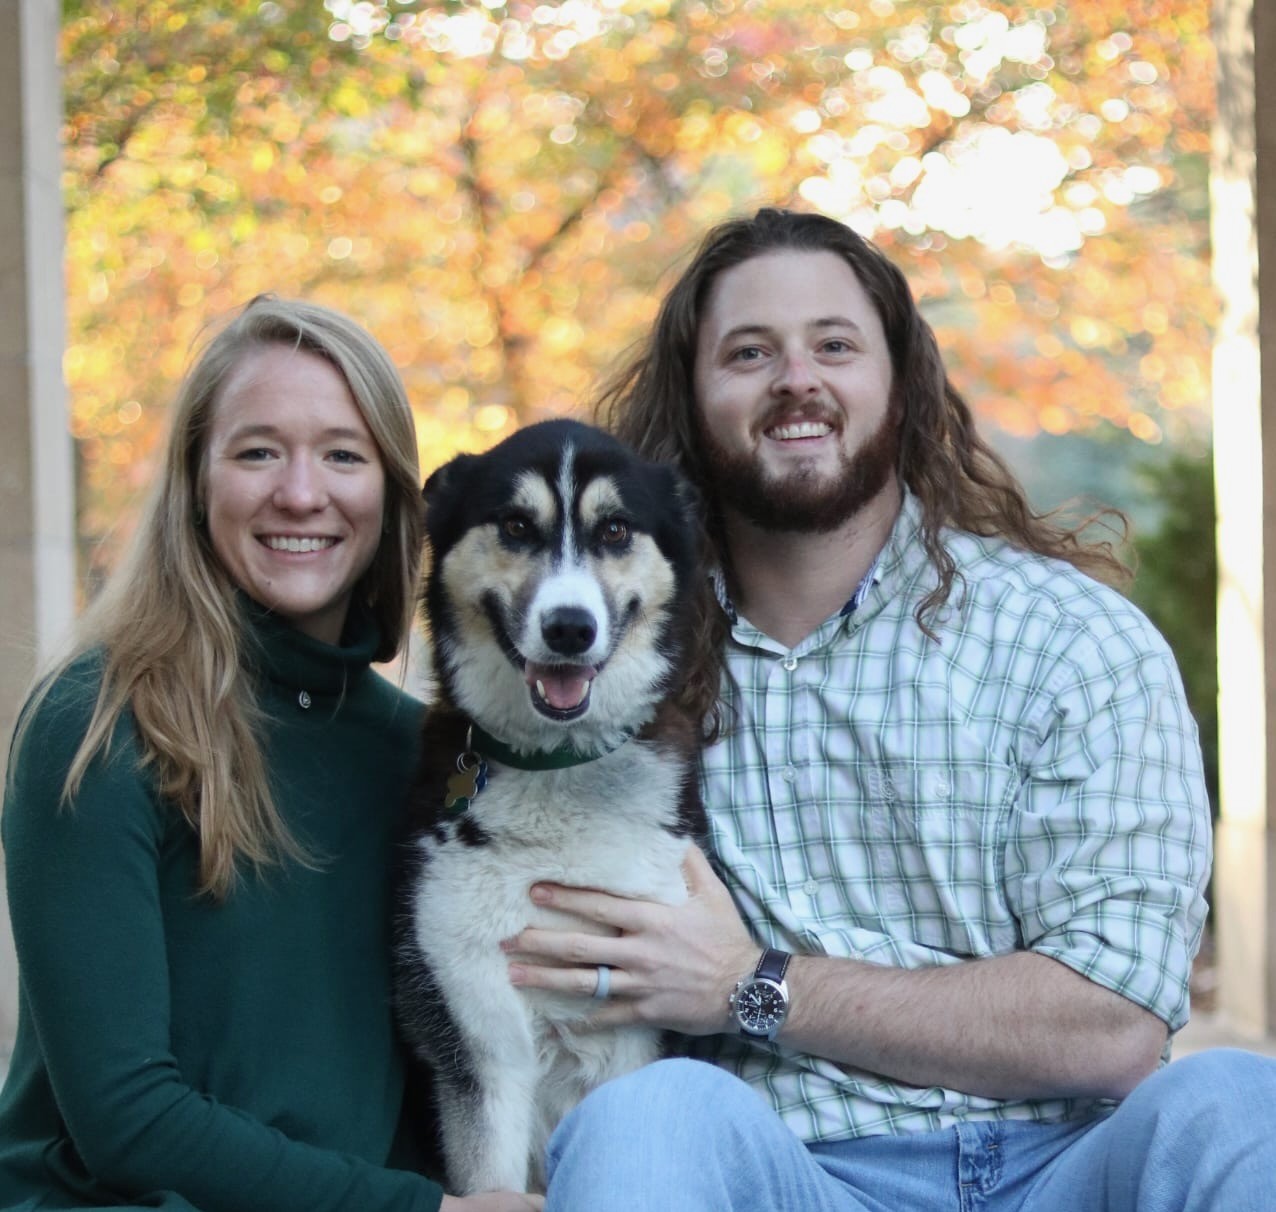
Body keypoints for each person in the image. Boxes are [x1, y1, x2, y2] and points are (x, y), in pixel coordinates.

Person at [501, 208, 1276, 1209]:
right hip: (785, 1173)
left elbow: (1112, 1022)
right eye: (749, 352)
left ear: (901, 386)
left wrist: (754, 983)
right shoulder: (609, 676)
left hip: (1067, 1174)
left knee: (1237, 1101)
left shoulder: (1072, 642)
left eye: (833, 345)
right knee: (645, 1120)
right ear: (690, 403)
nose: (795, 379)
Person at [0, 296, 541, 1212]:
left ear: (390, 493)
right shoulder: (98, 720)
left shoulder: (423, 754)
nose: (301, 492)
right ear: (196, 480)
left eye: (342, 453)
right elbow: (126, 1117)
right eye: (258, 451)